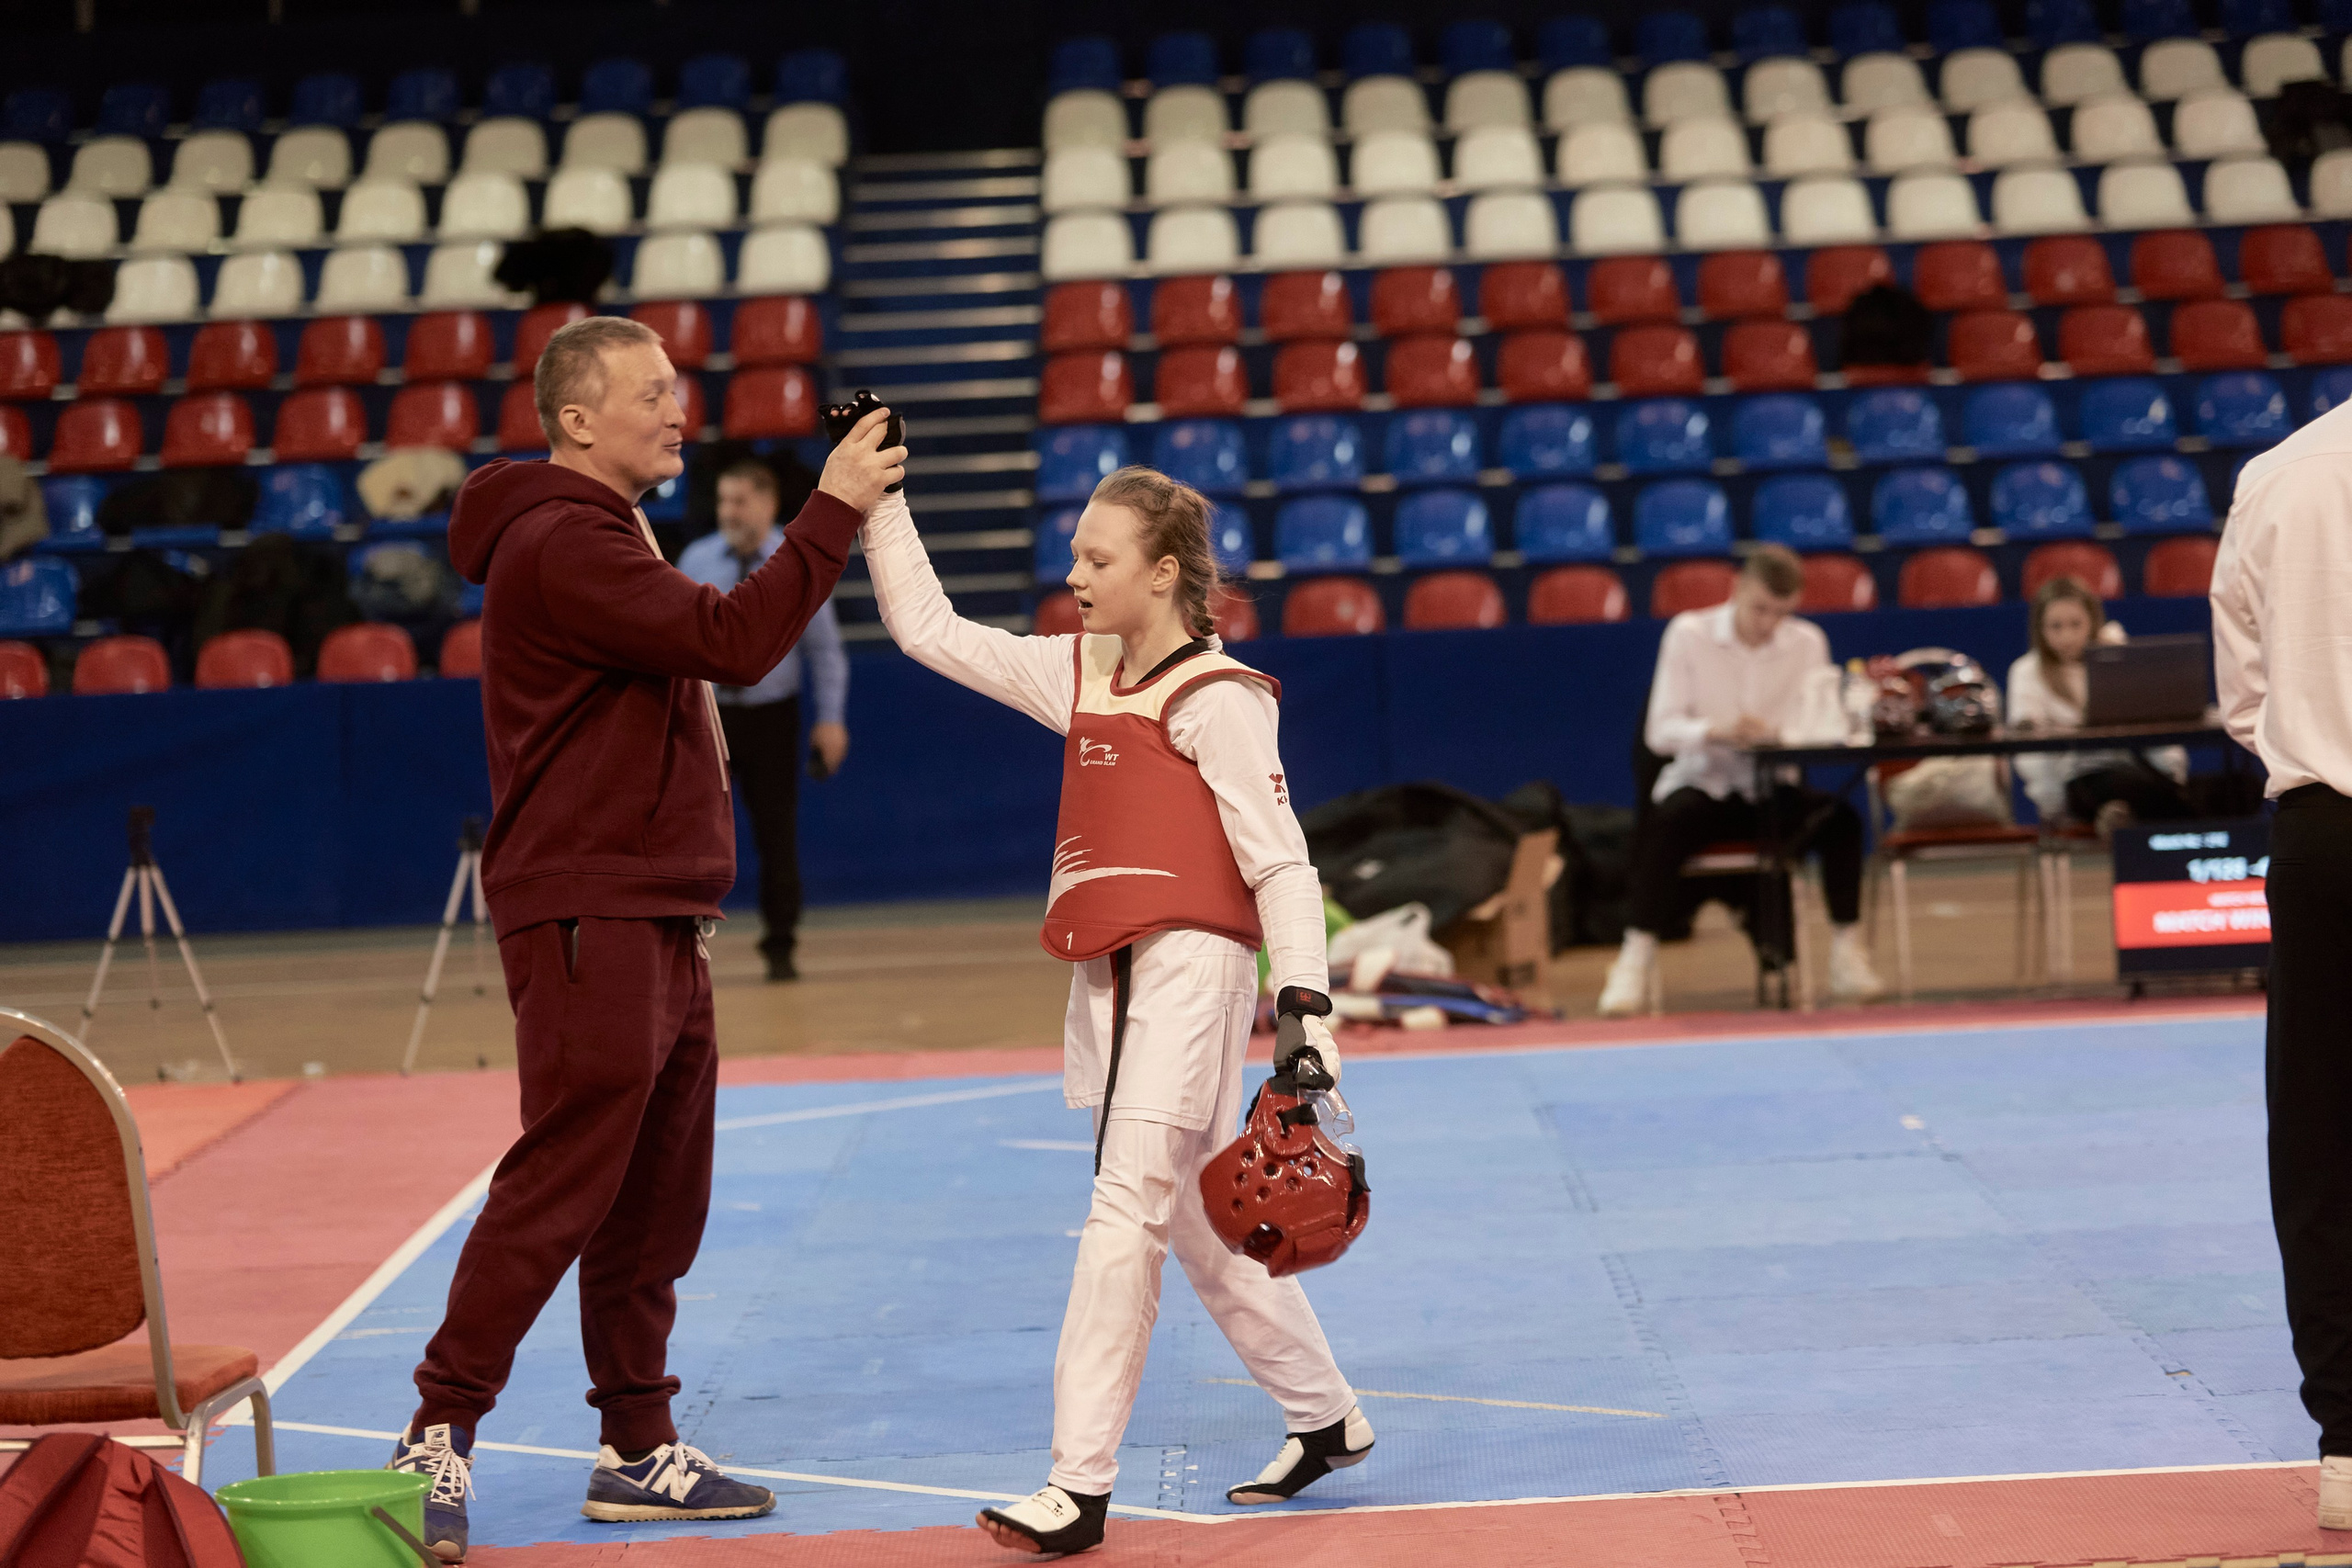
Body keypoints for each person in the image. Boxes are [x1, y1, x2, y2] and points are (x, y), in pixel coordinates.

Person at [386, 315, 903, 1562]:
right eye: (654, 392)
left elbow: (695, 683)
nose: (681, 410)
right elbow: (734, 641)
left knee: (657, 1193)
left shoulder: (610, 531)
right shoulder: (564, 539)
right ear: (575, 419)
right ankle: (434, 1431)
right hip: (589, 907)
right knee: (567, 1173)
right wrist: (828, 507)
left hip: (654, 906)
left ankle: (635, 1444)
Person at [862, 463, 1371, 1556]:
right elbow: (928, 630)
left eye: (1098, 558)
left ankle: (1077, 1487)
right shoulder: (1080, 672)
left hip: (1193, 971)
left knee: (1121, 1215)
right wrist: (880, 497)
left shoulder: (1218, 700)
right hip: (1107, 976)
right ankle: (1325, 1415)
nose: (1074, 573)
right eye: (1076, 553)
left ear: (1166, 573)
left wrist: (1307, 1016)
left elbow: (1282, 867)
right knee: (1189, 1219)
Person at [2212, 401, 2352, 1531]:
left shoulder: (2278, 473)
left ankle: (2351, 1443)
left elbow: (2245, 696)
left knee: (2319, 1135)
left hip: (2324, 832)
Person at [1598, 545, 1885, 1016]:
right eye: (1760, 609)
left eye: (1781, 612)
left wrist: (1785, 735)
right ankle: (1634, 957)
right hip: (1705, 783)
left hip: (1772, 791)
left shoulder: (1808, 643)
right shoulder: (1689, 634)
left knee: (1842, 822)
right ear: (1737, 588)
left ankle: (1847, 953)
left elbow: (1824, 727)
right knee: (1667, 824)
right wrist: (1716, 731)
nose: (1768, 623)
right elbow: (1660, 731)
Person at [678, 459, 851, 980]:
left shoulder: (792, 560)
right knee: (691, 833)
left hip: (773, 717)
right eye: (723, 500)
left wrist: (831, 719)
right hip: (707, 719)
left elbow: (825, 650)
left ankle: (781, 944)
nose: (728, 511)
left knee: (776, 834)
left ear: (768, 504)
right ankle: (682, 939)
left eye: (740, 501)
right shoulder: (696, 558)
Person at [2006, 576, 2190, 831]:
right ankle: (2123, 816)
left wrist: (2172, 771)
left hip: (2133, 772)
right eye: (2055, 626)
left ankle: (2124, 816)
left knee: (2238, 788)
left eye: (2076, 624)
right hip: (2076, 782)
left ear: (2092, 621)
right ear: (2040, 629)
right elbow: (2029, 753)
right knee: (2128, 788)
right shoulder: (2026, 672)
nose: (2066, 636)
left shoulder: (2115, 657)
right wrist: (2053, 805)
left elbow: (2151, 721)